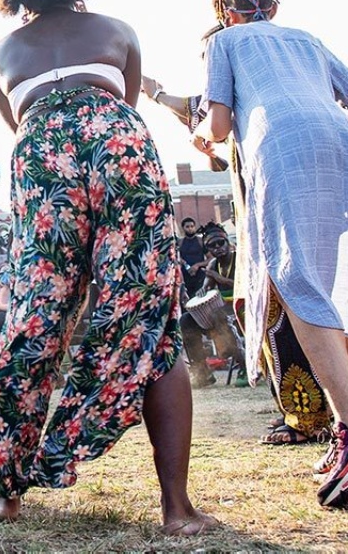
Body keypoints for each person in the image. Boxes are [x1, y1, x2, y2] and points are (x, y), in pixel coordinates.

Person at [0, 0, 212, 536]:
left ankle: (4, 487)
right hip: (118, 145)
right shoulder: (116, 30)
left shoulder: (2, 52)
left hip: (42, 158)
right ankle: (177, 510)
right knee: (148, 317)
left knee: (37, 317)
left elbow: (19, 125)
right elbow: (127, 103)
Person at [195, 0, 348, 509]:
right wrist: (325, 131)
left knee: (296, 284)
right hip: (342, 142)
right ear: (273, 2)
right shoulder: (306, 40)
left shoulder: (223, 41)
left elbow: (218, 125)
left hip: (283, 151)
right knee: (321, 282)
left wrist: (201, 135)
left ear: (226, 9)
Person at [143, 65, 334, 446]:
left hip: (273, 225)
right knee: (289, 315)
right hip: (301, 213)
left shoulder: (242, 108)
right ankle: (316, 411)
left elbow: (200, 114)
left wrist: (157, 95)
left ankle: (308, 417)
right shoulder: (287, 96)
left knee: (280, 318)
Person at [179, 227, 245, 388]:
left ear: (228, 242)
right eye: (212, 246)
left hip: (242, 308)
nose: (217, 248)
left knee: (218, 315)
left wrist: (219, 279)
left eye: (220, 243)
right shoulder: (213, 264)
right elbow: (207, 287)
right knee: (186, 320)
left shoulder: (240, 259)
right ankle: (202, 370)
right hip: (221, 310)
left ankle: (244, 364)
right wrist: (202, 291)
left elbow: (244, 285)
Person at [177, 217, 208, 297]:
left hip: (200, 276)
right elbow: (175, 257)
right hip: (185, 277)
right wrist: (182, 261)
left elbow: (211, 258)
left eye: (192, 226)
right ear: (183, 228)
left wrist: (197, 265)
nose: (190, 229)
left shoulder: (201, 241)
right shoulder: (180, 242)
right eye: (187, 227)